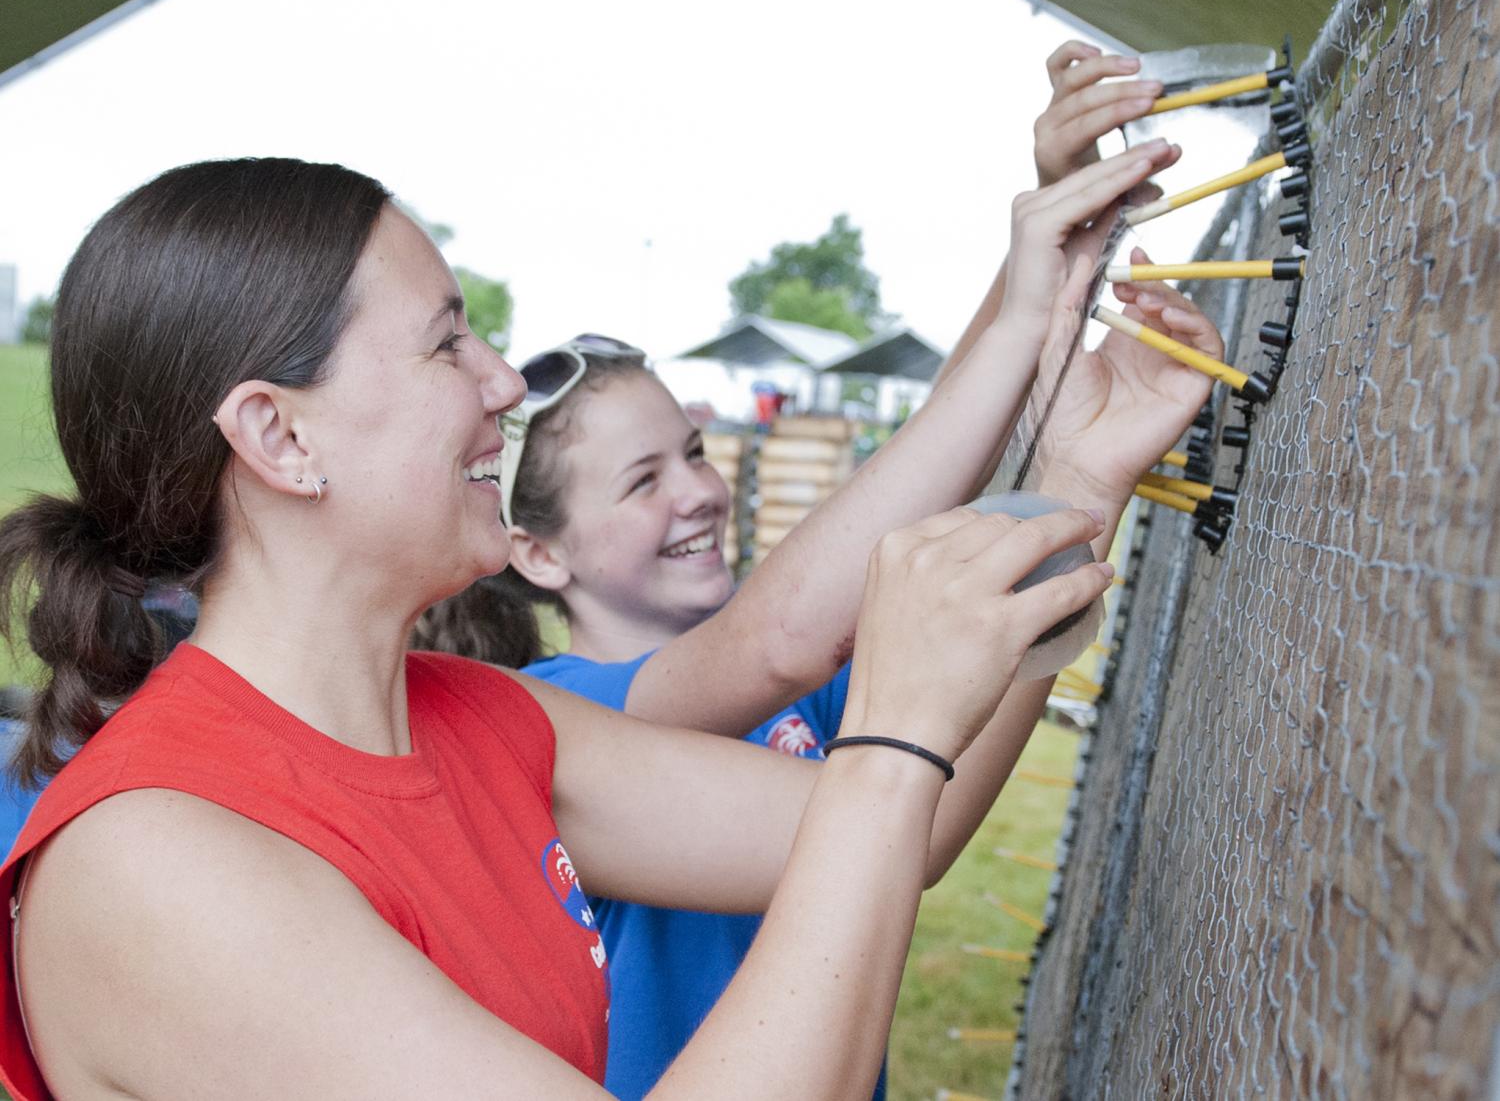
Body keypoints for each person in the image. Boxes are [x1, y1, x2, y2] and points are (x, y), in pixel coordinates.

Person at [0, 137, 1184, 1099]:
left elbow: (892, 838)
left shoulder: (481, 720)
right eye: (447, 344)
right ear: (280, 436)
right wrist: (892, 737)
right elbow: (880, 781)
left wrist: (1076, 488)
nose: (503, 383)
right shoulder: (155, 863)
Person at [412, 44, 1222, 1101]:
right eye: (642, 481)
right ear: (538, 553)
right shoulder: (561, 710)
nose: (698, 493)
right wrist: (1030, 300)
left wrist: (1082, 476)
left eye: (693, 453)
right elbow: (777, 639)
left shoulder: (814, 698)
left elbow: (924, 817)